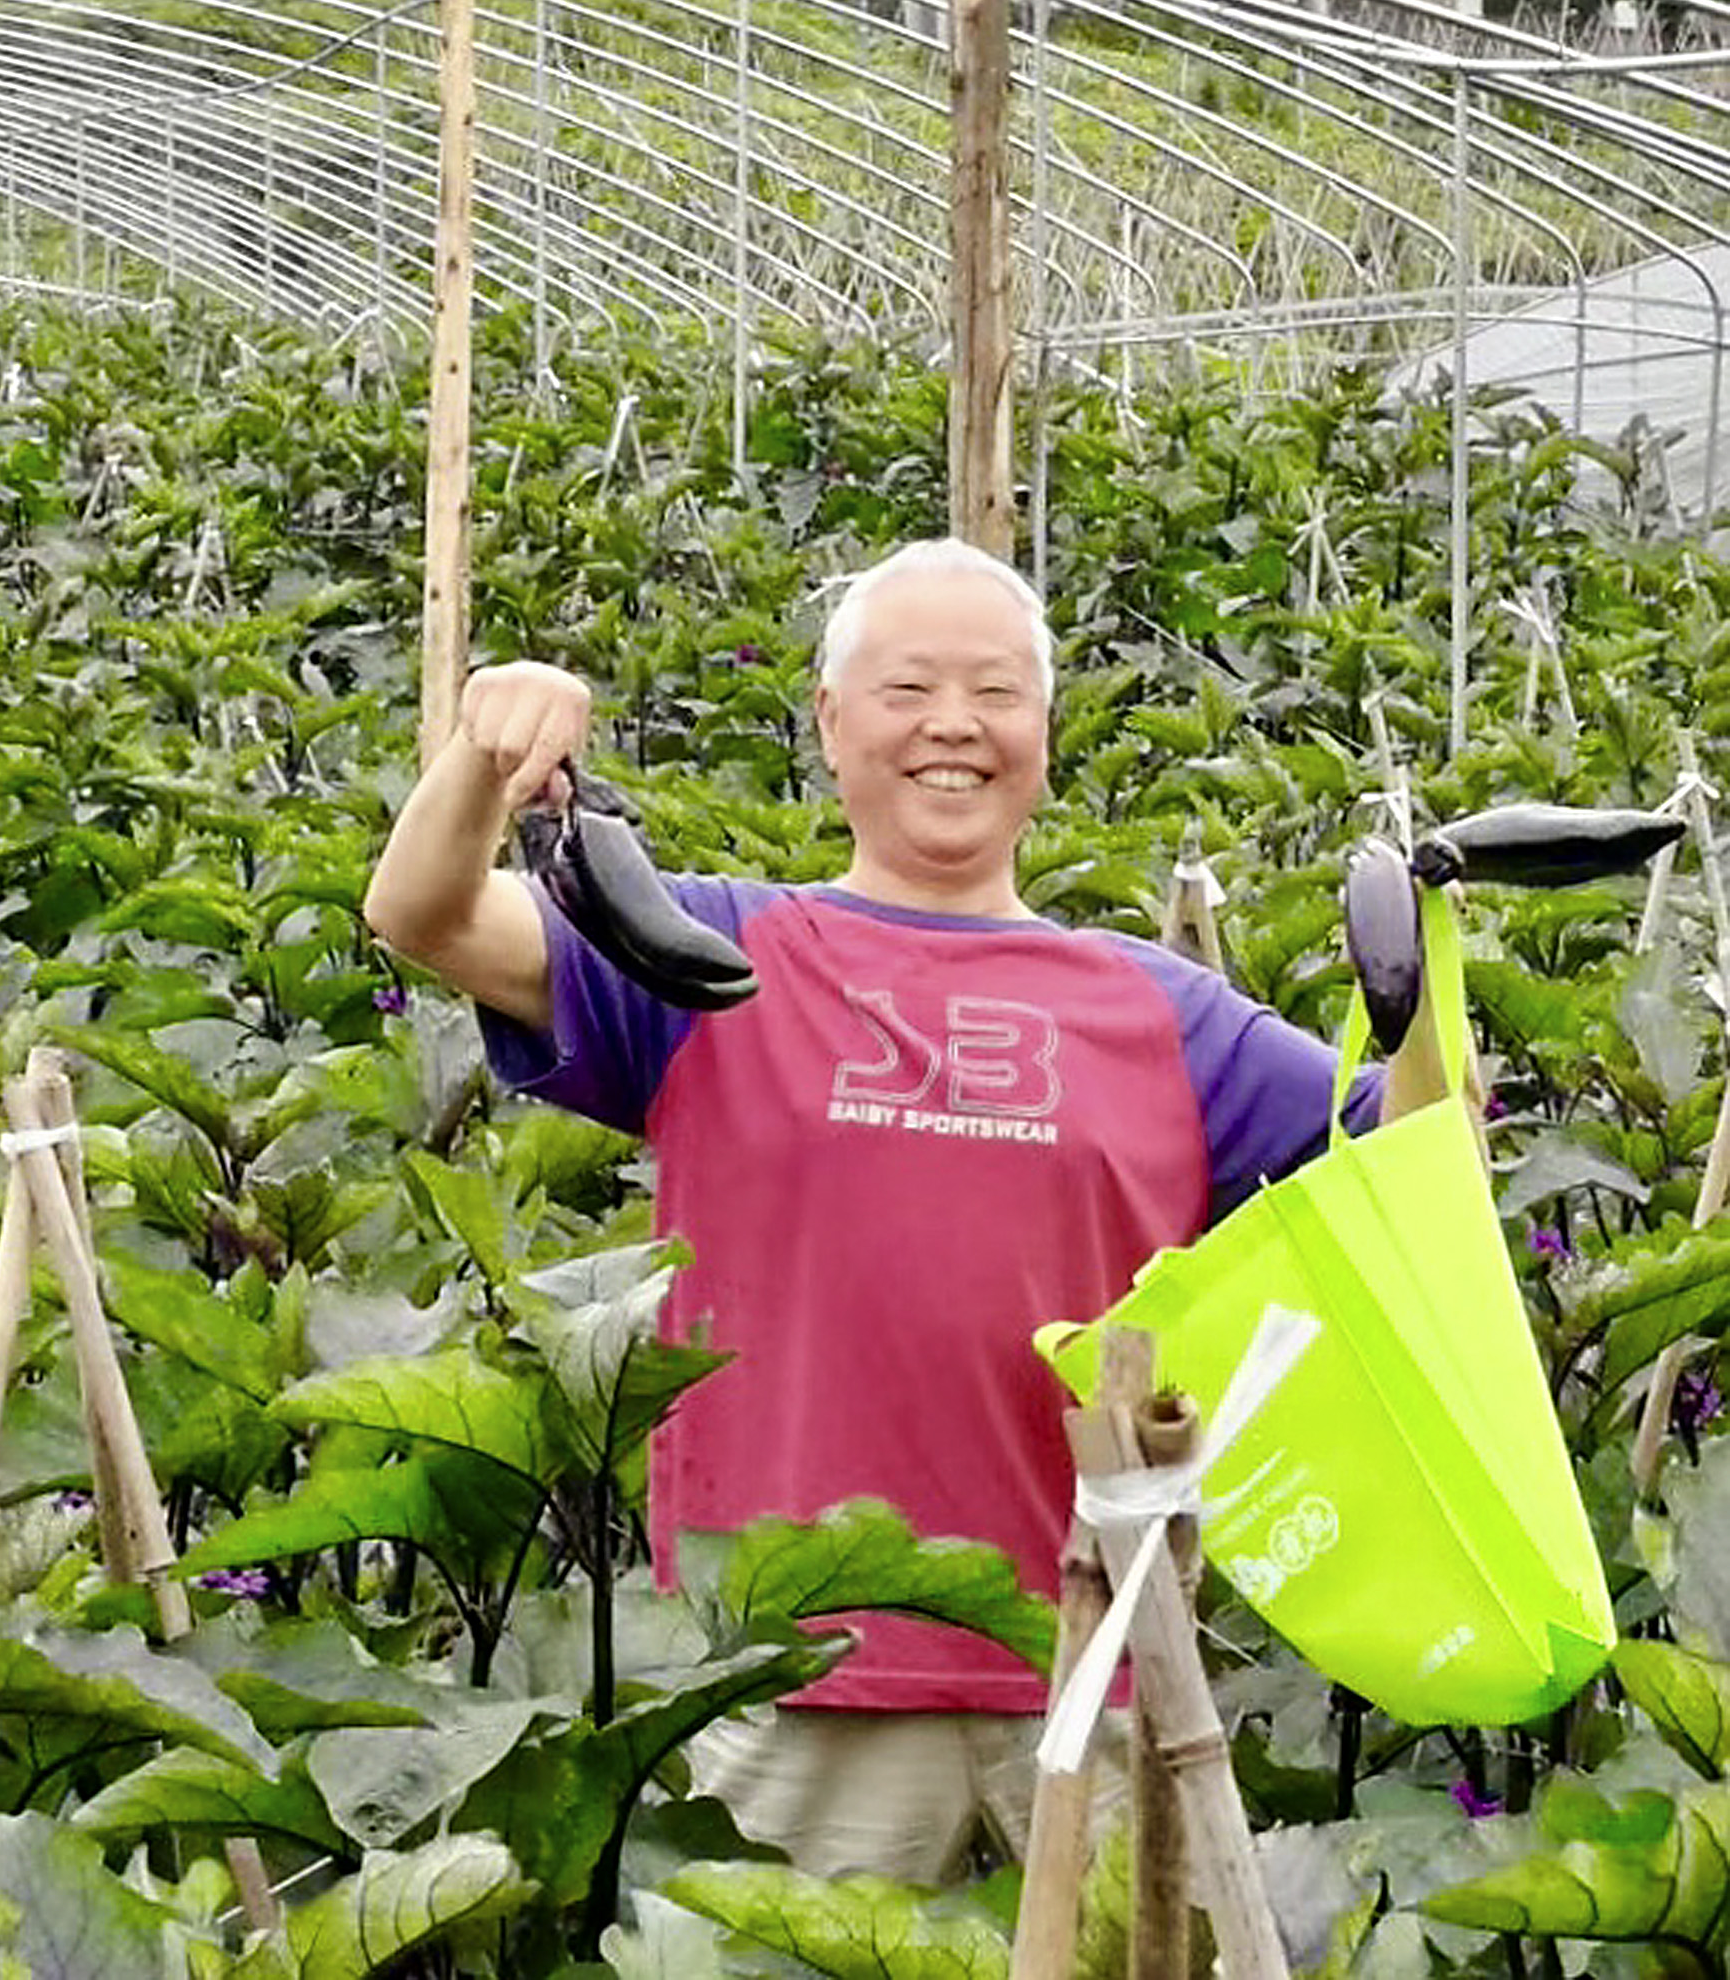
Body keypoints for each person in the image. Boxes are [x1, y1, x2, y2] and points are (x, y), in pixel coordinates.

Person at [362, 536, 1455, 1883]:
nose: (953, 725)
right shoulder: (709, 957)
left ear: (1043, 735)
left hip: (1096, 1657)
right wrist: (487, 756)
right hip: (791, 1674)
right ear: (827, 724)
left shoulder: (1160, 1016)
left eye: (995, 692)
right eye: (905, 689)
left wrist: (1425, 956)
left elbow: (1419, 1167)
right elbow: (423, 911)